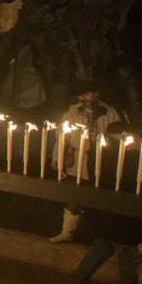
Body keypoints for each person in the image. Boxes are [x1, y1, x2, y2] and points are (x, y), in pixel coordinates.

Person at [49, 85, 122, 243]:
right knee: (75, 195)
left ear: (96, 93)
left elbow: (119, 134)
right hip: (78, 159)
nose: (83, 97)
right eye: (80, 94)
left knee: (99, 196)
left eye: (87, 94)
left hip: (102, 160)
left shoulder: (110, 112)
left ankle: (98, 235)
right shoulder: (72, 111)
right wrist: (57, 157)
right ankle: (67, 232)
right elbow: (62, 135)